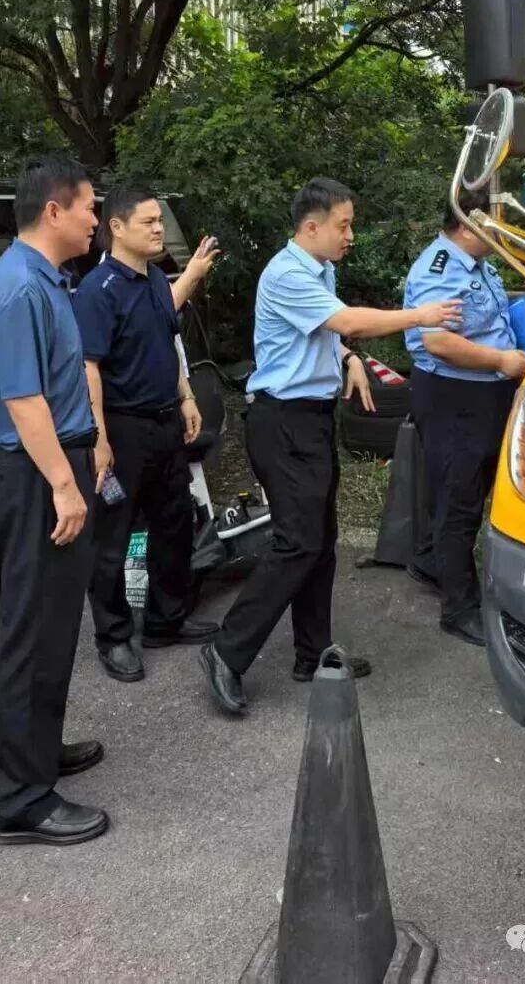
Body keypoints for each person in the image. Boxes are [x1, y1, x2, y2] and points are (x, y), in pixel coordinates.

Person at [199, 178, 462, 716]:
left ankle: (310, 652)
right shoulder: (288, 272)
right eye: (344, 225)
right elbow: (343, 320)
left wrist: (349, 360)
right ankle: (226, 650)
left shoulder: (320, 269)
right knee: (297, 541)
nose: (351, 235)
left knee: (320, 541)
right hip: (282, 422)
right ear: (312, 226)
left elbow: (325, 333)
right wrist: (420, 316)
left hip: (312, 420)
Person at [0, 156, 108, 847]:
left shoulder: (49, 277)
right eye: (89, 206)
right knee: (29, 632)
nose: (96, 218)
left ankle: (39, 751)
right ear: (54, 210)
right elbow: (23, 402)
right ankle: (22, 799)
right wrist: (63, 482)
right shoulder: (18, 287)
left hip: (57, 464)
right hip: (33, 475)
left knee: (56, 621)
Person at [73, 184, 220, 683]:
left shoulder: (156, 279)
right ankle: (114, 637)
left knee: (174, 522)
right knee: (112, 537)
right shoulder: (98, 291)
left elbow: (167, 339)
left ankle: (166, 619)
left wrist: (186, 397)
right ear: (116, 227)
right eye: (148, 222)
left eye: (160, 221)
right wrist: (98, 438)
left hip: (165, 421)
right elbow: (89, 367)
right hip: (123, 426)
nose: (159, 229)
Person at [403, 189, 525, 647]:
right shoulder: (440, 267)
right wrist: (499, 361)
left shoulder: (480, 264)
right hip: (455, 395)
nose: (502, 230)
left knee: (467, 487)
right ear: (469, 221)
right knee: (460, 497)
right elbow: (437, 341)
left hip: (485, 393)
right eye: (496, 221)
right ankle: (459, 608)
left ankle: (432, 561)